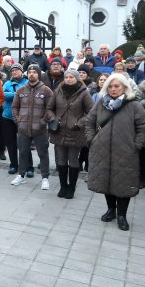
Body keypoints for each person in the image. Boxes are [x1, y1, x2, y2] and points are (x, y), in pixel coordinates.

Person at [85, 73, 145, 230]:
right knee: (106, 181)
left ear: (124, 88)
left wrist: (136, 145)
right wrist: (91, 139)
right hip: (102, 150)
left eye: (117, 86)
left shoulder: (134, 105)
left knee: (123, 183)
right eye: (110, 86)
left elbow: (144, 127)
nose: (113, 89)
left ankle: (122, 215)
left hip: (126, 151)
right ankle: (111, 210)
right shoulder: (102, 103)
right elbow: (89, 121)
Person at [47, 69, 93, 199]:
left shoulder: (84, 93)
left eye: (71, 77)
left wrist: (80, 123)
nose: (68, 79)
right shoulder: (57, 91)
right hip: (59, 130)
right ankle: (63, 186)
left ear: (77, 78)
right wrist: (53, 118)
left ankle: (71, 187)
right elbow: (50, 108)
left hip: (75, 131)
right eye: (66, 77)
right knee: (61, 159)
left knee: (73, 160)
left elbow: (91, 112)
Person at [11, 64, 53, 189]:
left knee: (43, 154)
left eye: (35, 72)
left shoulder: (46, 90)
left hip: (40, 130)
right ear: (27, 74)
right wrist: (18, 120)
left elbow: (50, 108)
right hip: (23, 128)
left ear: (39, 74)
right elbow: (14, 107)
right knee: (23, 152)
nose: (32, 74)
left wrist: (43, 121)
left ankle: (45, 178)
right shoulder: (21, 90)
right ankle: (21, 176)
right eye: (30, 72)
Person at [0, 63, 25, 175]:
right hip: (8, 117)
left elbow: (27, 96)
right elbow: (2, 95)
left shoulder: (27, 83)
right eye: (12, 70)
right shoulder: (7, 83)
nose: (14, 72)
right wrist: (17, 94)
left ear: (21, 72)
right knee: (11, 143)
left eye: (17, 70)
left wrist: (11, 94)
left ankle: (28, 166)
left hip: (23, 117)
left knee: (24, 143)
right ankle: (14, 165)